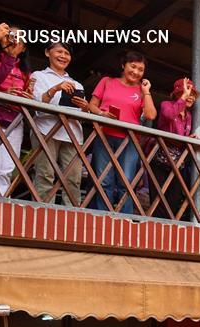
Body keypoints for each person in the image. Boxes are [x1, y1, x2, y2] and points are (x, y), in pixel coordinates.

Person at [87, 50, 157, 212]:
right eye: (133, 67)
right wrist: (101, 114)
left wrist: (146, 91)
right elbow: (91, 105)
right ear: (123, 65)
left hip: (129, 140)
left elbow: (151, 114)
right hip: (104, 135)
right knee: (104, 179)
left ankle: (124, 219)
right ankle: (102, 216)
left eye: (141, 70)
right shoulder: (107, 82)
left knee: (126, 181)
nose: (136, 72)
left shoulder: (141, 90)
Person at [30, 41, 87, 206]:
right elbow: (35, 103)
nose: (63, 56)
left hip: (72, 134)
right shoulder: (38, 76)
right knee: (45, 174)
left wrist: (85, 108)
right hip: (45, 129)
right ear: (48, 53)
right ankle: (41, 212)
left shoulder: (77, 84)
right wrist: (55, 89)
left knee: (74, 178)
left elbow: (83, 115)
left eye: (67, 53)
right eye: (59, 52)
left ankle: (72, 215)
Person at [0, 25, 29, 197]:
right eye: (10, 36)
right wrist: (3, 94)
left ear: (24, 47)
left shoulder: (25, 72)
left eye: (19, 38)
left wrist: (27, 98)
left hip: (15, 121)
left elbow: (30, 95)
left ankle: (1, 205)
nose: (14, 40)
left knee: (7, 167)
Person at [151, 77, 198, 219]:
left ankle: (167, 229)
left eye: (193, 95)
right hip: (160, 157)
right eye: (187, 93)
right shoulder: (166, 105)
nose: (191, 97)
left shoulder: (188, 115)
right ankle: (155, 228)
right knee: (158, 196)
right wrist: (183, 97)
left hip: (178, 161)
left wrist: (188, 140)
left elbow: (181, 136)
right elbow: (169, 115)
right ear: (178, 93)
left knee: (175, 197)